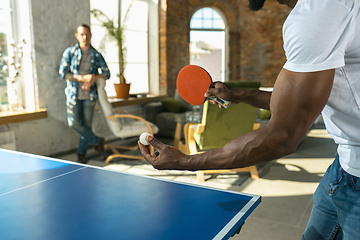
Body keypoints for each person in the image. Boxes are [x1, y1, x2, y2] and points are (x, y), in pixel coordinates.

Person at [139, 0, 360, 239]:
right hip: (345, 164)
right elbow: (294, 104)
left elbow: (281, 137)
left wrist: (185, 161)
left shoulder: (320, 13)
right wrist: (237, 95)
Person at [59, 24, 110, 164]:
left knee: (86, 126)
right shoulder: (69, 52)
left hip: (89, 96)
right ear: (77, 35)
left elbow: (107, 73)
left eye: (87, 34)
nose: (85, 37)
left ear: (91, 35)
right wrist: (82, 78)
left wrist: (94, 78)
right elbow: (63, 74)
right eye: (82, 34)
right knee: (74, 123)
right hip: (73, 95)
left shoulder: (96, 54)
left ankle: (81, 153)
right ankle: (97, 141)